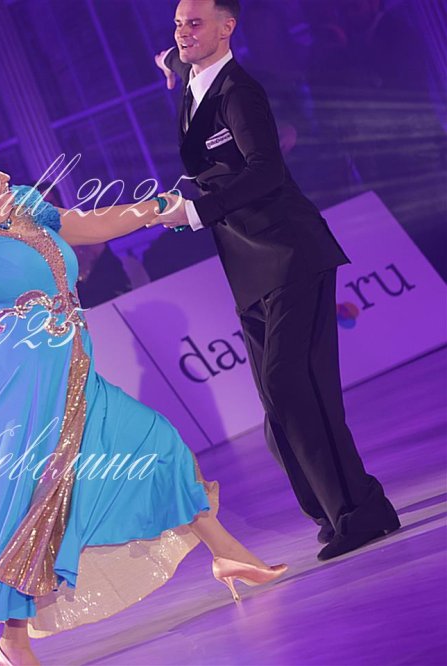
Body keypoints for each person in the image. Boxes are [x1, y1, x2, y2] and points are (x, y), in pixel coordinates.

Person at [0, 139, 285, 665]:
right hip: (21, 393)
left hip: (77, 375)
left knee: (157, 444)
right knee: (23, 504)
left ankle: (227, 554)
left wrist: (158, 207)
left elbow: (95, 224)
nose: (3, 179)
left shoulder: (28, 212)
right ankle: (12, 642)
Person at [153, 0, 400, 561]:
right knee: (277, 399)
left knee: (295, 387)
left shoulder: (239, 92)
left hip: (290, 253)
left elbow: (266, 170)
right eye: (178, 23)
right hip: (246, 267)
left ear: (228, 27)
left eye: (195, 23)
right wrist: (170, 63)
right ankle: (336, 512)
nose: (183, 32)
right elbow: (172, 56)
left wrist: (197, 211)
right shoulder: (192, 78)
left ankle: (359, 509)